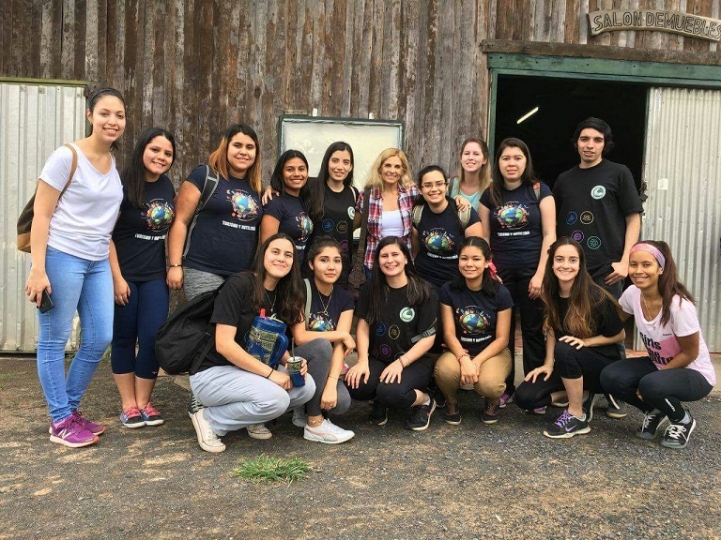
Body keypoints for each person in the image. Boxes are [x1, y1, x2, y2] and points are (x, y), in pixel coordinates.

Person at [25, 87, 127, 448]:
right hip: (62, 255)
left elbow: (106, 225)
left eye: (119, 115)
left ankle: (68, 410)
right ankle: (60, 420)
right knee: (53, 340)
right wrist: (39, 268)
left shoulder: (114, 164)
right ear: (90, 116)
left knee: (100, 337)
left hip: (98, 259)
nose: (112, 121)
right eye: (105, 113)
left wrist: (115, 273)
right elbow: (42, 214)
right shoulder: (66, 156)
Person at [188, 233, 318, 453]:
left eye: (288, 255)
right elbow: (224, 345)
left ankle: (250, 417)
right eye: (275, 252)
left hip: (250, 374)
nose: (281, 259)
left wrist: (291, 361)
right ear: (263, 255)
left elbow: (275, 341)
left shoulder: (284, 293)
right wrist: (270, 374)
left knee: (307, 387)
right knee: (276, 399)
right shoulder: (240, 284)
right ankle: (210, 419)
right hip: (213, 373)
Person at [554, 117, 643, 418]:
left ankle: (614, 392)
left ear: (605, 144)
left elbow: (633, 218)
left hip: (607, 268)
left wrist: (626, 260)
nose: (589, 145)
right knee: (573, 329)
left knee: (610, 329)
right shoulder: (565, 179)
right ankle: (583, 387)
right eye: (584, 139)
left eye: (597, 140)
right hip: (572, 270)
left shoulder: (618, 174)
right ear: (576, 142)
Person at [600, 241, 715, 449]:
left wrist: (656, 379)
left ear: (660, 268)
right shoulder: (633, 294)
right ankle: (654, 410)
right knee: (610, 376)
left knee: (651, 384)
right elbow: (615, 321)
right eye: (633, 265)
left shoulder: (679, 305)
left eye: (646, 265)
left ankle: (682, 419)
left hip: (694, 373)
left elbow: (691, 353)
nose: (638, 271)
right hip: (659, 366)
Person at [515, 238, 625, 439]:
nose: (565, 265)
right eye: (559, 259)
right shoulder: (550, 294)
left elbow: (620, 334)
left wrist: (587, 342)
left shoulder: (596, 296)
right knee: (525, 398)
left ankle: (577, 415)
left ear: (580, 264)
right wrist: (548, 364)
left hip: (603, 365)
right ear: (551, 263)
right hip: (569, 363)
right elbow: (551, 330)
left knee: (565, 347)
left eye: (572, 260)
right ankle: (581, 393)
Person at [479, 138, 556, 408]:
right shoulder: (489, 194)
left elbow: (550, 235)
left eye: (517, 158)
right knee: (503, 332)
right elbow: (484, 239)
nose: (511, 163)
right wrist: (489, 271)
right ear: (497, 163)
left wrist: (541, 274)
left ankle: (535, 390)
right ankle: (505, 386)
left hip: (532, 271)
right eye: (505, 158)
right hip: (500, 276)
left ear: (526, 162)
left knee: (534, 329)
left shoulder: (539, 191)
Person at [109, 127, 176, 428]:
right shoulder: (120, 184)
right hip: (123, 275)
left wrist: (174, 265)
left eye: (167, 153)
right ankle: (128, 405)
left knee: (151, 338)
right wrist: (116, 278)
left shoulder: (167, 186)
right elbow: (104, 235)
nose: (161, 157)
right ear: (141, 150)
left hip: (154, 276)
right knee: (124, 338)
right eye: (155, 150)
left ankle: (144, 402)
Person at [345, 236, 439, 431]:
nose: (390, 260)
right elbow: (362, 326)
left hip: (413, 361)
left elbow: (428, 338)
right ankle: (381, 397)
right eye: (384, 256)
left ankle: (425, 400)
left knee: (392, 393)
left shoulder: (424, 291)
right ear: (377, 260)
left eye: (395, 254)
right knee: (356, 385)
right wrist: (362, 360)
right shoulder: (371, 289)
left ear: (406, 258)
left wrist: (401, 363)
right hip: (380, 358)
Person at [167, 123, 263, 300]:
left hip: (241, 276)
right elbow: (180, 220)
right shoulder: (205, 176)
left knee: (231, 326)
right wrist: (174, 265)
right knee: (208, 323)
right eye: (237, 145)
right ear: (225, 147)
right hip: (203, 268)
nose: (243, 152)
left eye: (250, 147)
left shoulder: (258, 189)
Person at [434, 237, 513, 425]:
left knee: (490, 384)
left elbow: (502, 339)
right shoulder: (448, 290)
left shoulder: (500, 293)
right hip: (459, 350)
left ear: (487, 262)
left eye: (476, 259)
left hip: (493, 351)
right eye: (464, 258)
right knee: (443, 371)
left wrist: (475, 362)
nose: (469, 264)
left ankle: (492, 401)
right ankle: (451, 402)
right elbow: (449, 334)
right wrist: (463, 358)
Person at [289, 237, 356, 444]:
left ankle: (305, 405)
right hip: (295, 361)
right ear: (311, 264)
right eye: (324, 260)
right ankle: (315, 422)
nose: (331, 266)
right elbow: (300, 338)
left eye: (337, 261)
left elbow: (339, 347)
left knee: (341, 403)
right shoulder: (300, 289)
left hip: (324, 364)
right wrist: (341, 335)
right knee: (320, 345)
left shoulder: (345, 298)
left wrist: (331, 384)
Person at [411, 165, 483, 290]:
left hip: (456, 283)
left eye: (439, 184)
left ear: (446, 186)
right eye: (428, 185)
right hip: (425, 282)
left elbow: (478, 252)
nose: (434, 189)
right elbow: (416, 250)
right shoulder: (418, 213)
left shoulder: (464, 213)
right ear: (420, 189)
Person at [353, 149, 419, 274]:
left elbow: (436, 199)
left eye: (397, 166)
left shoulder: (412, 192)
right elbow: (352, 225)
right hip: (374, 264)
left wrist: (459, 199)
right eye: (387, 165)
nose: (392, 171)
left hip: (404, 263)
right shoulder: (367, 195)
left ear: (403, 170)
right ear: (379, 169)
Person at [260, 150, 314, 255]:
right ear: (281, 173)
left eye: (301, 169)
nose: (297, 174)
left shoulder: (304, 199)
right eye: (290, 169)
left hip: (298, 270)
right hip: (281, 268)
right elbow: (268, 247)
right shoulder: (274, 202)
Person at [448, 137, 491, 214]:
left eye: (476, 154)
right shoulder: (449, 185)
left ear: (484, 160)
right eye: (467, 153)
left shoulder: (492, 187)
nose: (470, 158)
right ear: (461, 158)